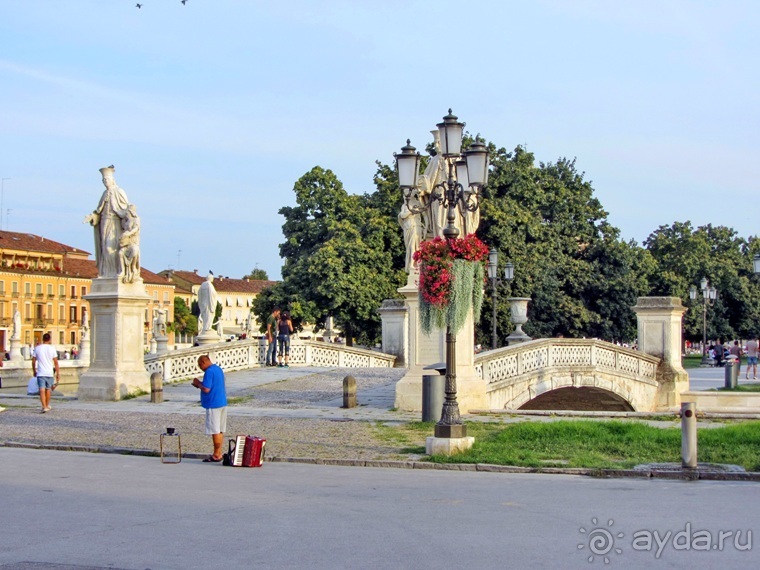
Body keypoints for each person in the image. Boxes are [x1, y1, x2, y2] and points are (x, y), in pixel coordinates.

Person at [84, 166, 131, 278]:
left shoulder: (119, 191)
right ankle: (106, 272)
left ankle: (116, 271)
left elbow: (126, 210)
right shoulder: (105, 193)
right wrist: (93, 217)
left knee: (112, 246)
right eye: (104, 180)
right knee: (104, 247)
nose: (106, 182)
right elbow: (99, 210)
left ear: (112, 180)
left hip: (115, 223)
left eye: (107, 179)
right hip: (104, 222)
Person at [191, 355, 227, 462]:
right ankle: (219, 453)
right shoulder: (218, 369)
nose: (200, 367)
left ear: (203, 362)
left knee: (215, 429)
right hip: (222, 402)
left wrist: (198, 384)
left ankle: (216, 454)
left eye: (199, 365)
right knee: (220, 430)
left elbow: (206, 389)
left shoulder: (209, 372)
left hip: (213, 403)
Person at [32, 333, 60, 413]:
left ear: (42, 339)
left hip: (41, 372)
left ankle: (44, 406)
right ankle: (47, 405)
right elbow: (56, 362)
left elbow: (33, 361)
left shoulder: (37, 348)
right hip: (49, 372)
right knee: (48, 389)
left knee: (41, 389)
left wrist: (34, 370)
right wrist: (58, 373)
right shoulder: (52, 349)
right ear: (50, 339)